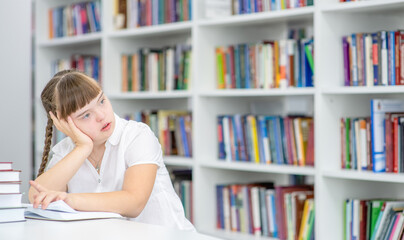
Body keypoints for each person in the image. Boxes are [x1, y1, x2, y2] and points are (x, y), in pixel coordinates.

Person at [28, 69, 195, 231]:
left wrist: (70, 200)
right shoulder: (67, 150)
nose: (102, 115)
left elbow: (134, 202)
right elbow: (36, 196)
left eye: (101, 101)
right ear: (62, 123)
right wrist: (83, 148)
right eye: (86, 115)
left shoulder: (137, 135)